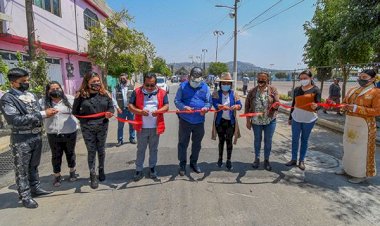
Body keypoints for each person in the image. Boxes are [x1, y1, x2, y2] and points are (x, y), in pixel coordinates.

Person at [0, 68, 56, 208]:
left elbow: (37, 111)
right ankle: (25, 195)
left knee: (34, 165)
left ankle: (35, 188)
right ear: (13, 83)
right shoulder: (8, 98)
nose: (27, 83)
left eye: (27, 80)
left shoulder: (30, 95)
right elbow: (14, 120)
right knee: (22, 168)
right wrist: (43, 114)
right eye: (23, 81)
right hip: (21, 138)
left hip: (36, 135)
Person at [335, 69, 380, 183]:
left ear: (373, 79)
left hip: (365, 126)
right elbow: (344, 102)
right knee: (348, 146)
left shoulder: (376, 92)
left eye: (364, 77)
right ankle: (347, 168)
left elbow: (377, 111)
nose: (361, 79)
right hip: (350, 123)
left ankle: (360, 174)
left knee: (360, 149)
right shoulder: (352, 90)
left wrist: (356, 108)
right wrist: (341, 106)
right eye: (360, 77)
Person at [72, 71, 114, 189]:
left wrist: (110, 113)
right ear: (87, 82)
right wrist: (84, 121)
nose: (96, 83)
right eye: (93, 81)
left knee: (101, 150)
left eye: (97, 81)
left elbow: (111, 107)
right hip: (87, 128)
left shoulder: (105, 93)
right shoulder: (81, 95)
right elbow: (74, 112)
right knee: (91, 151)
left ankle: (101, 170)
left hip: (102, 126)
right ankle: (92, 175)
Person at [128, 73, 169, 181]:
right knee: (140, 149)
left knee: (153, 149)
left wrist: (159, 111)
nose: (150, 88)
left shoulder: (162, 92)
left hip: (156, 127)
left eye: (152, 85)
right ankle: (138, 169)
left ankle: (152, 168)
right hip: (141, 127)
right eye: (147, 85)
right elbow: (130, 106)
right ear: (143, 83)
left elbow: (166, 106)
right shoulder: (136, 92)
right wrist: (140, 111)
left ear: (156, 83)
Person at [40, 81, 79, 187]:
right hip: (53, 133)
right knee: (56, 155)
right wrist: (46, 114)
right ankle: (57, 175)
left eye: (58, 88)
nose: (56, 90)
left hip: (70, 131)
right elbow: (38, 115)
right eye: (52, 89)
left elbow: (78, 111)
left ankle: (72, 171)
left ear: (61, 89)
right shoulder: (43, 102)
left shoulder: (70, 99)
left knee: (70, 153)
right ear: (48, 91)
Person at [175, 67, 212, 176]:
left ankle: (193, 162)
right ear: (189, 77)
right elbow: (177, 100)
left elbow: (208, 102)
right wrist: (183, 107)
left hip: (199, 122)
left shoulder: (205, 87)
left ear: (201, 78)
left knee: (197, 144)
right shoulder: (182, 86)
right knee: (183, 143)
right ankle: (182, 164)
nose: (195, 82)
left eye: (197, 80)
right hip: (185, 121)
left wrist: (206, 108)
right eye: (193, 79)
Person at [286, 70, 321, 171]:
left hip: (309, 119)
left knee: (304, 140)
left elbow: (319, 105)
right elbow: (293, 103)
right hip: (296, 117)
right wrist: (290, 117)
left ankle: (301, 160)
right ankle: (293, 159)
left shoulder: (316, 90)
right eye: (301, 79)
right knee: (294, 139)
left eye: (305, 78)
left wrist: (316, 107)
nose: (303, 80)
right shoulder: (297, 89)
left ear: (311, 78)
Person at [245, 72, 280, 171]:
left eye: (263, 79)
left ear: (267, 80)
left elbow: (277, 101)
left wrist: (277, 104)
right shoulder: (252, 91)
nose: (261, 80)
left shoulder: (273, 90)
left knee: (268, 141)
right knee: (257, 140)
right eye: (259, 78)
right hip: (256, 122)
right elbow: (247, 106)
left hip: (270, 120)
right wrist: (248, 121)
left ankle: (266, 160)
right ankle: (256, 159)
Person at [211, 72, 242, 170]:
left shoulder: (234, 94)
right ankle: (220, 159)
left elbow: (240, 105)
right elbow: (215, 104)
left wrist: (237, 106)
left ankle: (228, 160)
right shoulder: (216, 93)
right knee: (221, 141)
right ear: (220, 84)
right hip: (220, 121)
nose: (226, 85)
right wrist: (220, 106)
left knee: (229, 141)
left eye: (228, 83)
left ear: (230, 85)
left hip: (230, 122)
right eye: (224, 83)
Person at [112, 73, 136, 147]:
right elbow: (113, 99)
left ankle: (132, 138)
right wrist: (117, 108)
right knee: (120, 126)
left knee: (132, 125)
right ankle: (120, 140)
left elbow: (135, 98)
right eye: (121, 78)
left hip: (130, 110)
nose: (122, 80)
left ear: (127, 78)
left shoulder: (132, 87)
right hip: (121, 110)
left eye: (124, 78)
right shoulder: (116, 88)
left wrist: (134, 108)